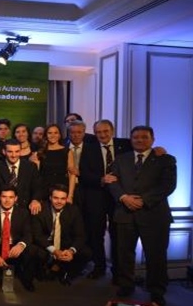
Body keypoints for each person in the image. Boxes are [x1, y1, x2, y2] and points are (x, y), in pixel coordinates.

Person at [107, 126, 176, 306]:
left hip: (154, 215)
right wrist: (123, 197)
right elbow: (112, 182)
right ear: (130, 140)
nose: (139, 140)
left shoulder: (165, 159)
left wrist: (143, 200)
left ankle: (156, 291)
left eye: (144, 137)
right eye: (135, 137)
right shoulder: (121, 159)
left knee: (156, 256)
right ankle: (126, 285)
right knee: (124, 254)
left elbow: (168, 185)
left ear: (153, 139)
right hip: (124, 213)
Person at [79, 119, 132, 281]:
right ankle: (99, 267)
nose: (102, 135)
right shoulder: (89, 149)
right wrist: (101, 179)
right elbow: (84, 174)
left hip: (119, 197)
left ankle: (118, 271)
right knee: (96, 234)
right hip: (97, 196)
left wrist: (159, 150)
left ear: (112, 130)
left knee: (118, 235)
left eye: (105, 131)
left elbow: (144, 149)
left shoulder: (126, 144)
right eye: (98, 132)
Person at [31, 184, 90, 286]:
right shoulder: (41, 209)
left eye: (63, 199)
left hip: (65, 245)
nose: (59, 201)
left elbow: (80, 235)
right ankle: (45, 269)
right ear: (50, 198)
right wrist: (54, 250)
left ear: (67, 199)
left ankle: (67, 273)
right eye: (56, 198)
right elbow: (37, 236)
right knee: (36, 252)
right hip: (46, 244)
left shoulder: (74, 210)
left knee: (86, 252)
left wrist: (71, 251)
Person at [0, 186, 36, 292]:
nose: (7, 200)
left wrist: (21, 245)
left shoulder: (23, 213)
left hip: (15, 246)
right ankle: (1, 273)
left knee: (31, 251)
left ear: (16, 198)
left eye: (11, 197)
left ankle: (27, 279)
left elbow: (28, 234)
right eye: (4, 197)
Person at [0, 139, 44, 215]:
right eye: (10, 152)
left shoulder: (30, 166)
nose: (14, 155)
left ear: (20, 151)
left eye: (17, 151)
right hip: (3, 207)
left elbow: (37, 187)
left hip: (26, 208)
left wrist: (35, 200)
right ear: (4, 152)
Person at [30, 124, 76, 203]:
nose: (53, 135)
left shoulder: (67, 151)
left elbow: (72, 175)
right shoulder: (40, 152)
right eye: (50, 133)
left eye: (56, 133)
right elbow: (36, 175)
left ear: (59, 135)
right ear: (46, 135)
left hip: (62, 190)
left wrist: (70, 195)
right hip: (44, 190)